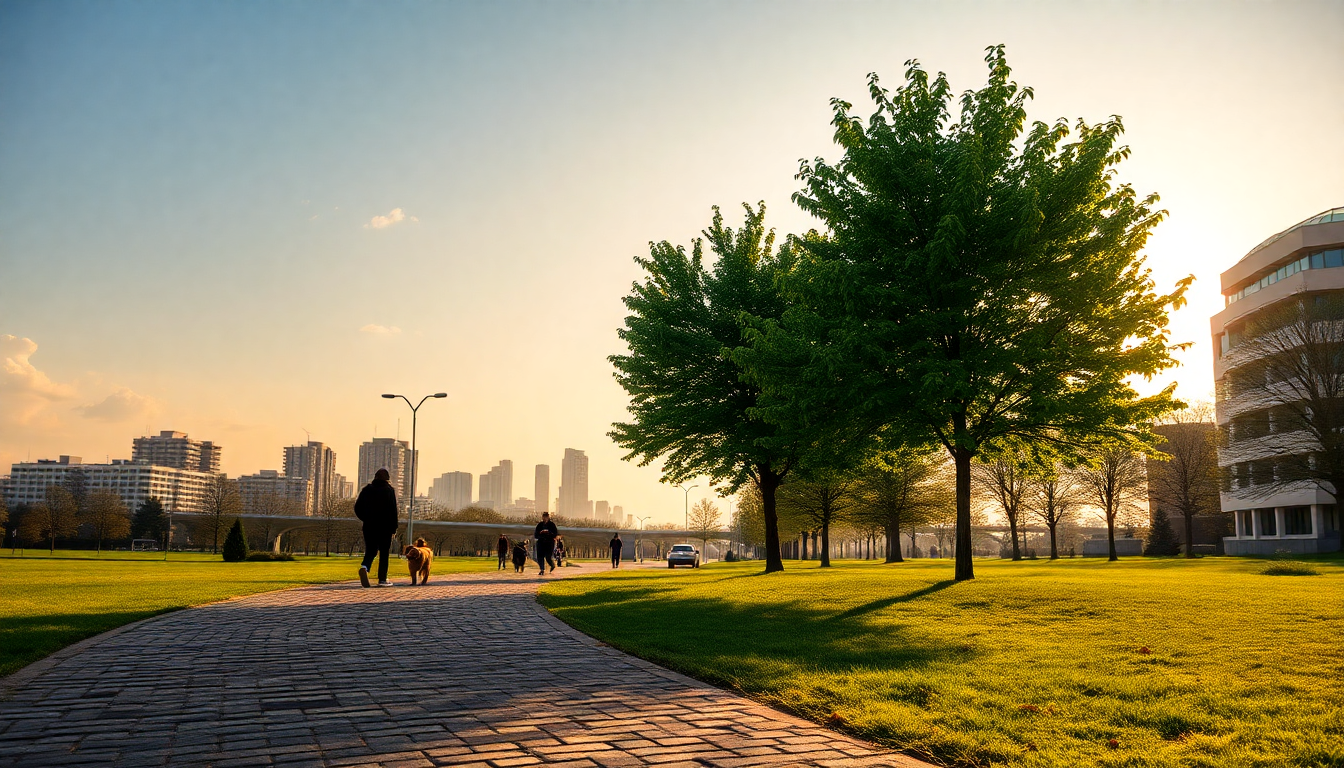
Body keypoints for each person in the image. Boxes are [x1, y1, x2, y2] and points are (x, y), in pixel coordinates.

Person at [354, 468, 399, 587]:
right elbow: (393, 511)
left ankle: (365, 567)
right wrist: (394, 528)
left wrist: (366, 518)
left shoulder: (366, 490)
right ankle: (382, 579)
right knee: (384, 553)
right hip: (385, 528)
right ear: (387, 479)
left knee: (371, 550)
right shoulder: (389, 491)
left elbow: (357, 508)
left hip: (369, 527)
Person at [534, 511, 558, 575]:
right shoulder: (539, 525)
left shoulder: (552, 525)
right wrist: (541, 534)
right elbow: (536, 535)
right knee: (540, 556)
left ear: (548, 517)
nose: (544, 518)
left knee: (548, 557)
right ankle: (542, 569)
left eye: (546, 517)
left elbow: (555, 534)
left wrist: (549, 532)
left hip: (549, 543)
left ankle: (552, 565)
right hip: (541, 543)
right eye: (543, 517)